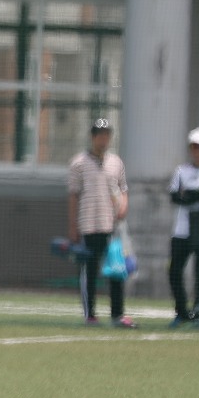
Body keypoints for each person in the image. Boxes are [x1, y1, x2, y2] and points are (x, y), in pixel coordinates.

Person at [66, 118, 136, 328]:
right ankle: (90, 314)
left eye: (106, 135)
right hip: (88, 225)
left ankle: (118, 314)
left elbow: (123, 189)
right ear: (93, 137)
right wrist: (73, 226)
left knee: (117, 270)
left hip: (111, 227)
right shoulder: (78, 163)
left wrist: (124, 206)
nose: (103, 139)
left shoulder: (116, 163)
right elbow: (73, 196)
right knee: (89, 271)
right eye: (100, 135)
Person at [168, 128, 199, 328]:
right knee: (174, 271)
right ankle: (181, 311)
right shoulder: (181, 171)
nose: (197, 151)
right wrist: (196, 196)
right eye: (194, 147)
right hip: (181, 230)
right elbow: (175, 196)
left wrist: (191, 195)